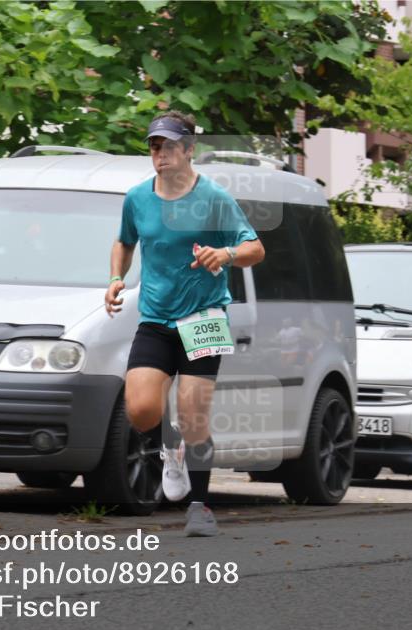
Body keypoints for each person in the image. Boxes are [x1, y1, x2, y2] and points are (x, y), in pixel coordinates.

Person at [105, 110, 265, 536]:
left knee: (194, 416)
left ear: (190, 149)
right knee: (141, 411)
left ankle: (200, 507)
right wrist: (116, 277)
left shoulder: (214, 198)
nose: (161, 154)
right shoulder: (138, 198)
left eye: (170, 146)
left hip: (204, 318)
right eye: (155, 146)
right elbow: (124, 241)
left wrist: (226, 254)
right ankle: (170, 446)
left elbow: (255, 248)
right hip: (156, 319)